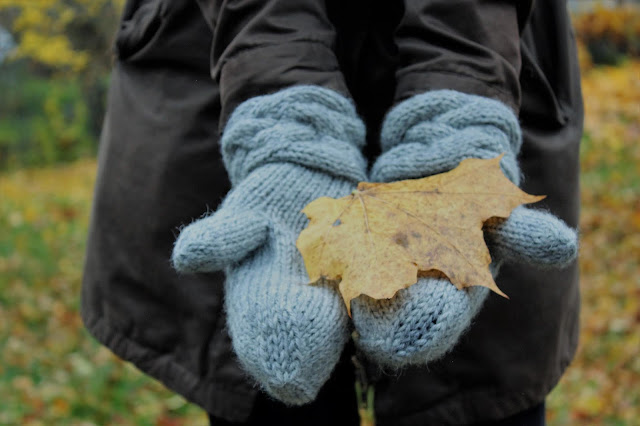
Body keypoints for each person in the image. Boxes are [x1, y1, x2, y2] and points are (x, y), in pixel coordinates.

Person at [81, 1, 583, 425]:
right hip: (226, 79)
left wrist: (456, 112)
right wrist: (286, 117)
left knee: (475, 391)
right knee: (278, 373)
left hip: (499, 64)